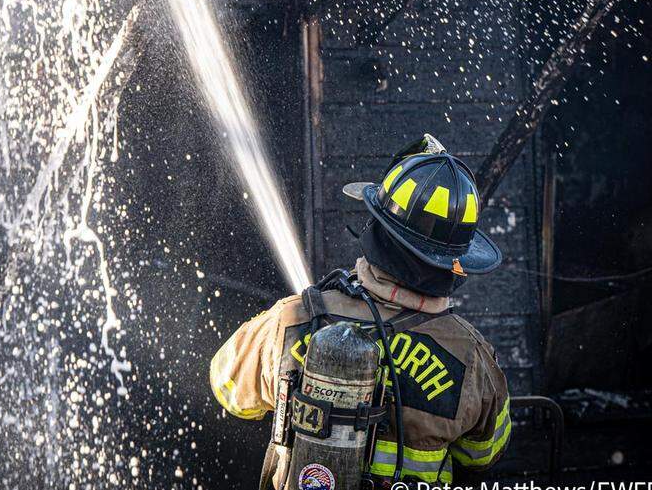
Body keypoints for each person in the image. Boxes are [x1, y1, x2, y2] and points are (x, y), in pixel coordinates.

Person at [209, 134, 511, 489]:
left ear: (377, 230)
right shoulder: (471, 357)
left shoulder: (292, 320)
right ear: (455, 263)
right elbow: (483, 453)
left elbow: (228, 389)